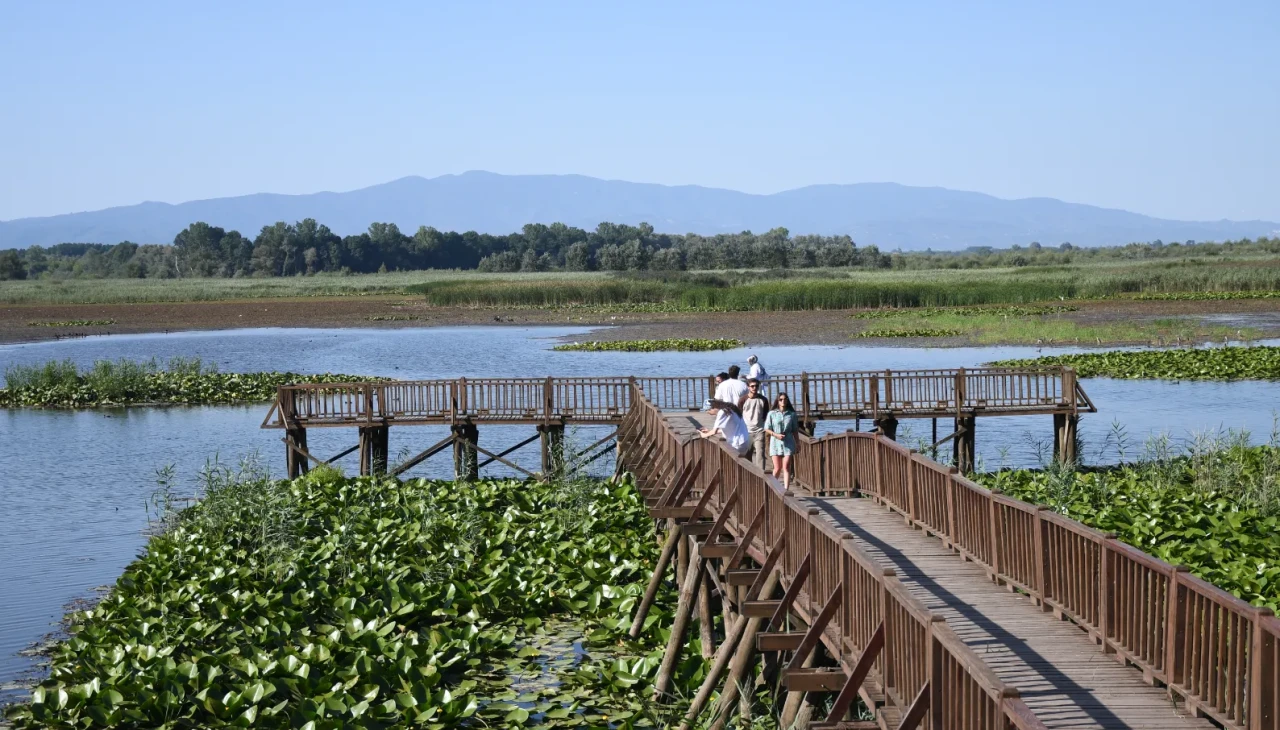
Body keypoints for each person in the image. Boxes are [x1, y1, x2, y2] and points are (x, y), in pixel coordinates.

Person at [765, 392, 798, 489]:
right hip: (775, 442)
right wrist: (775, 434)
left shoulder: (791, 414)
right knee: (777, 468)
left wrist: (798, 443)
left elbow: (795, 430)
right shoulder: (772, 413)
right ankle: (772, 488)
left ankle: (786, 490)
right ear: (777, 401)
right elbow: (767, 428)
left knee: (786, 466)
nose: (783, 401)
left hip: (788, 441)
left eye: (785, 399)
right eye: (781, 399)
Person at [741, 378, 769, 470]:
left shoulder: (763, 400)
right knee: (747, 456)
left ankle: (762, 477)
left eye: (756, 386)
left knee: (760, 455)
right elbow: (738, 415)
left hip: (759, 431)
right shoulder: (743, 400)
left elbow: (765, 415)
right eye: (752, 386)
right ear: (748, 387)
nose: (754, 388)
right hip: (746, 431)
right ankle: (749, 476)